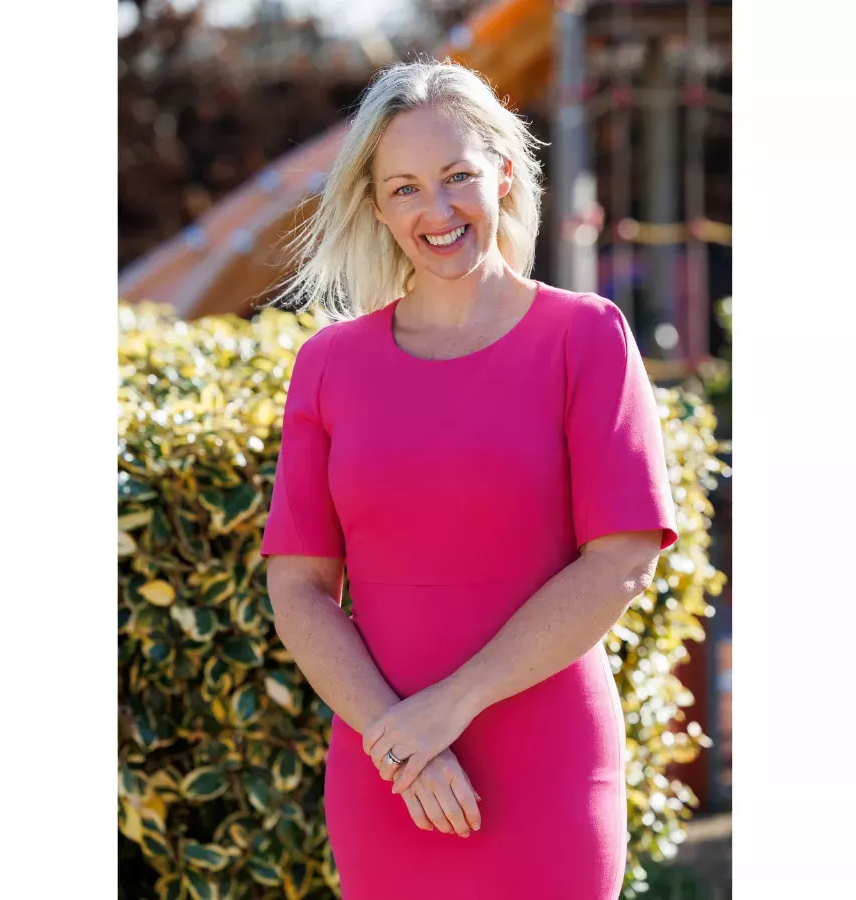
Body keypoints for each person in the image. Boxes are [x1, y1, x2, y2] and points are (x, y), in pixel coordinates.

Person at [260, 58, 677, 900]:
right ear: (376, 206)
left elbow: (621, 560)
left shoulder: (585, 338)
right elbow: (299, 585)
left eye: (458, 177)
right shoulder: (328, 366)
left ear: (505, 175)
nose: (437, 210)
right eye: (406, 188)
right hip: (388, 772)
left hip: (546, 768)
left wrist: (445, 709)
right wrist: (397, 737)